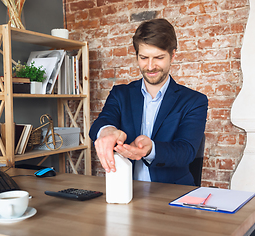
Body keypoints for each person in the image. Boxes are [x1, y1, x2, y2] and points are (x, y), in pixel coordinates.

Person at [89, 18, 208, 185]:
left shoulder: (195, 101)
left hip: (171, 194)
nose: (150, 66)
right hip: (126, 190)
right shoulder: (120, 94)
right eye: (144, 58)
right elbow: (100, 124)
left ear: (173, 55)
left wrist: (151, 148)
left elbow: (186, 151)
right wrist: (107, 131)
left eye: (158, 57)